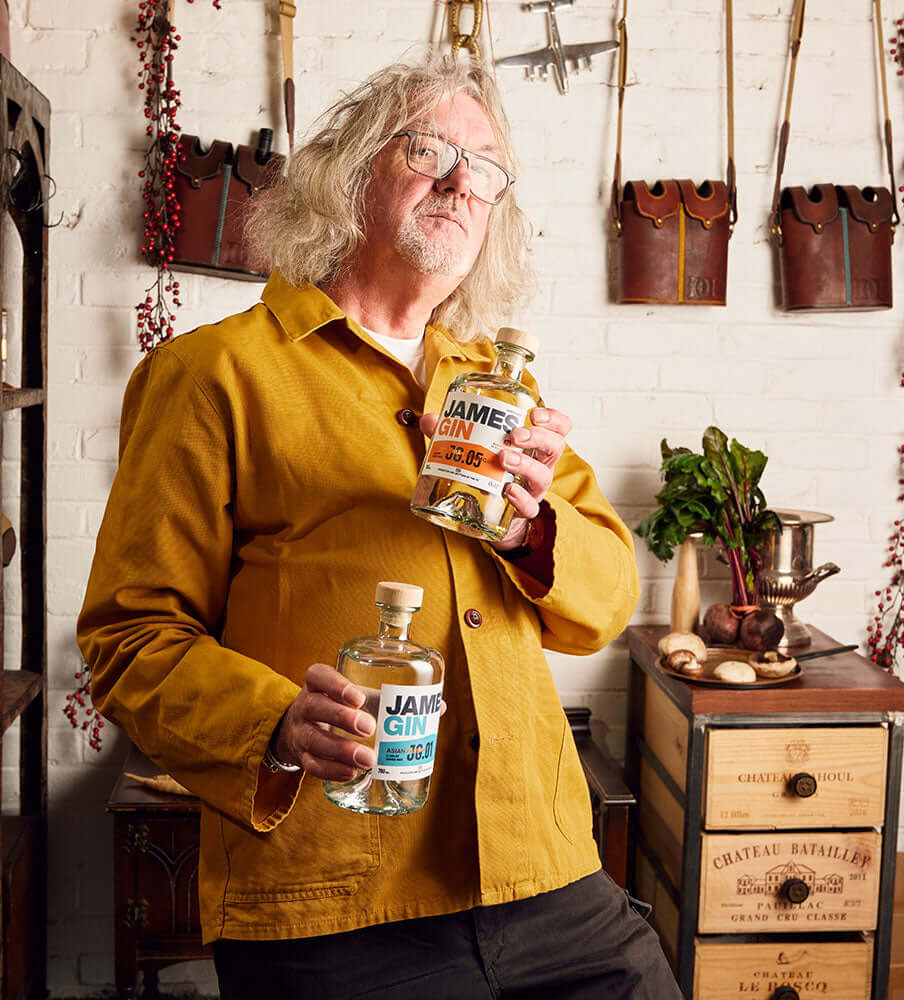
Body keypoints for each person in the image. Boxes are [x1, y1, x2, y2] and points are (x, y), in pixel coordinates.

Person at [78, 54, 682, 999]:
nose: (459, 180)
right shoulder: (216, 374)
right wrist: (271, 720)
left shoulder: (497, 387)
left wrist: (533, 531)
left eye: (484, 167)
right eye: (429, 147)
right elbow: (129, 638)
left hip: (546, 873)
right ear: (349, 175)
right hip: (335, 899)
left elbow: (601, 603)